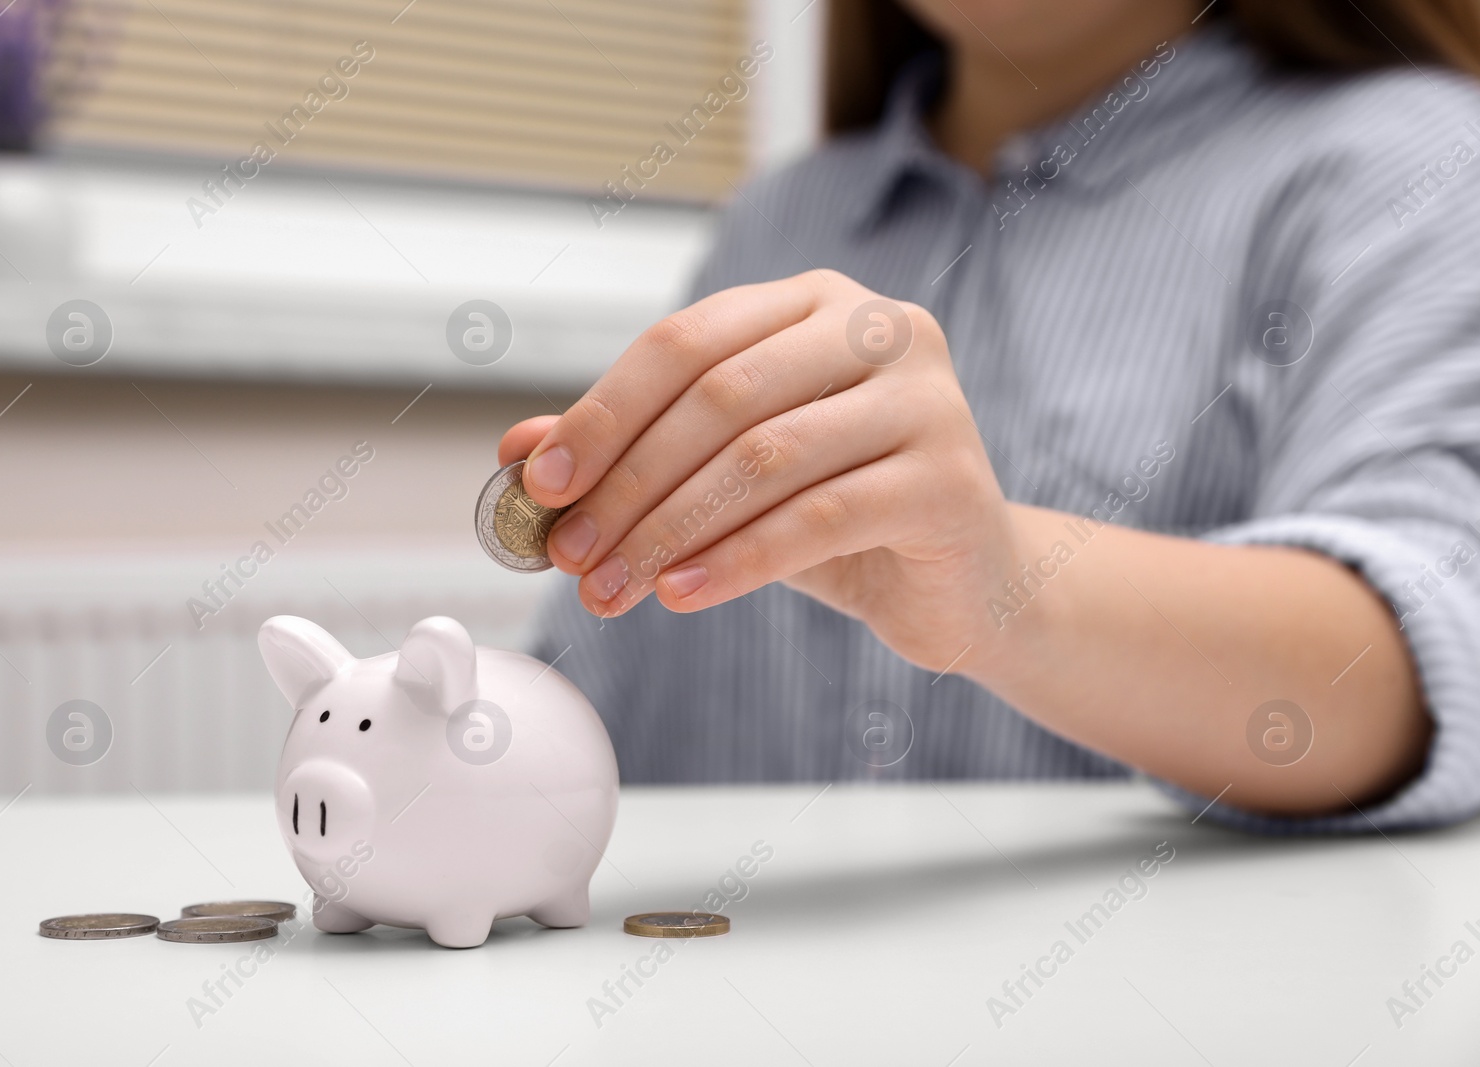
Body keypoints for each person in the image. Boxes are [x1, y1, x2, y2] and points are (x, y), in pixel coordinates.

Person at [503, 0, 1480, 831]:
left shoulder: (1418, 164)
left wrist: (1006, 584)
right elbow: (585, 705)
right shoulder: (779, 218)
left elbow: (1428, 663)